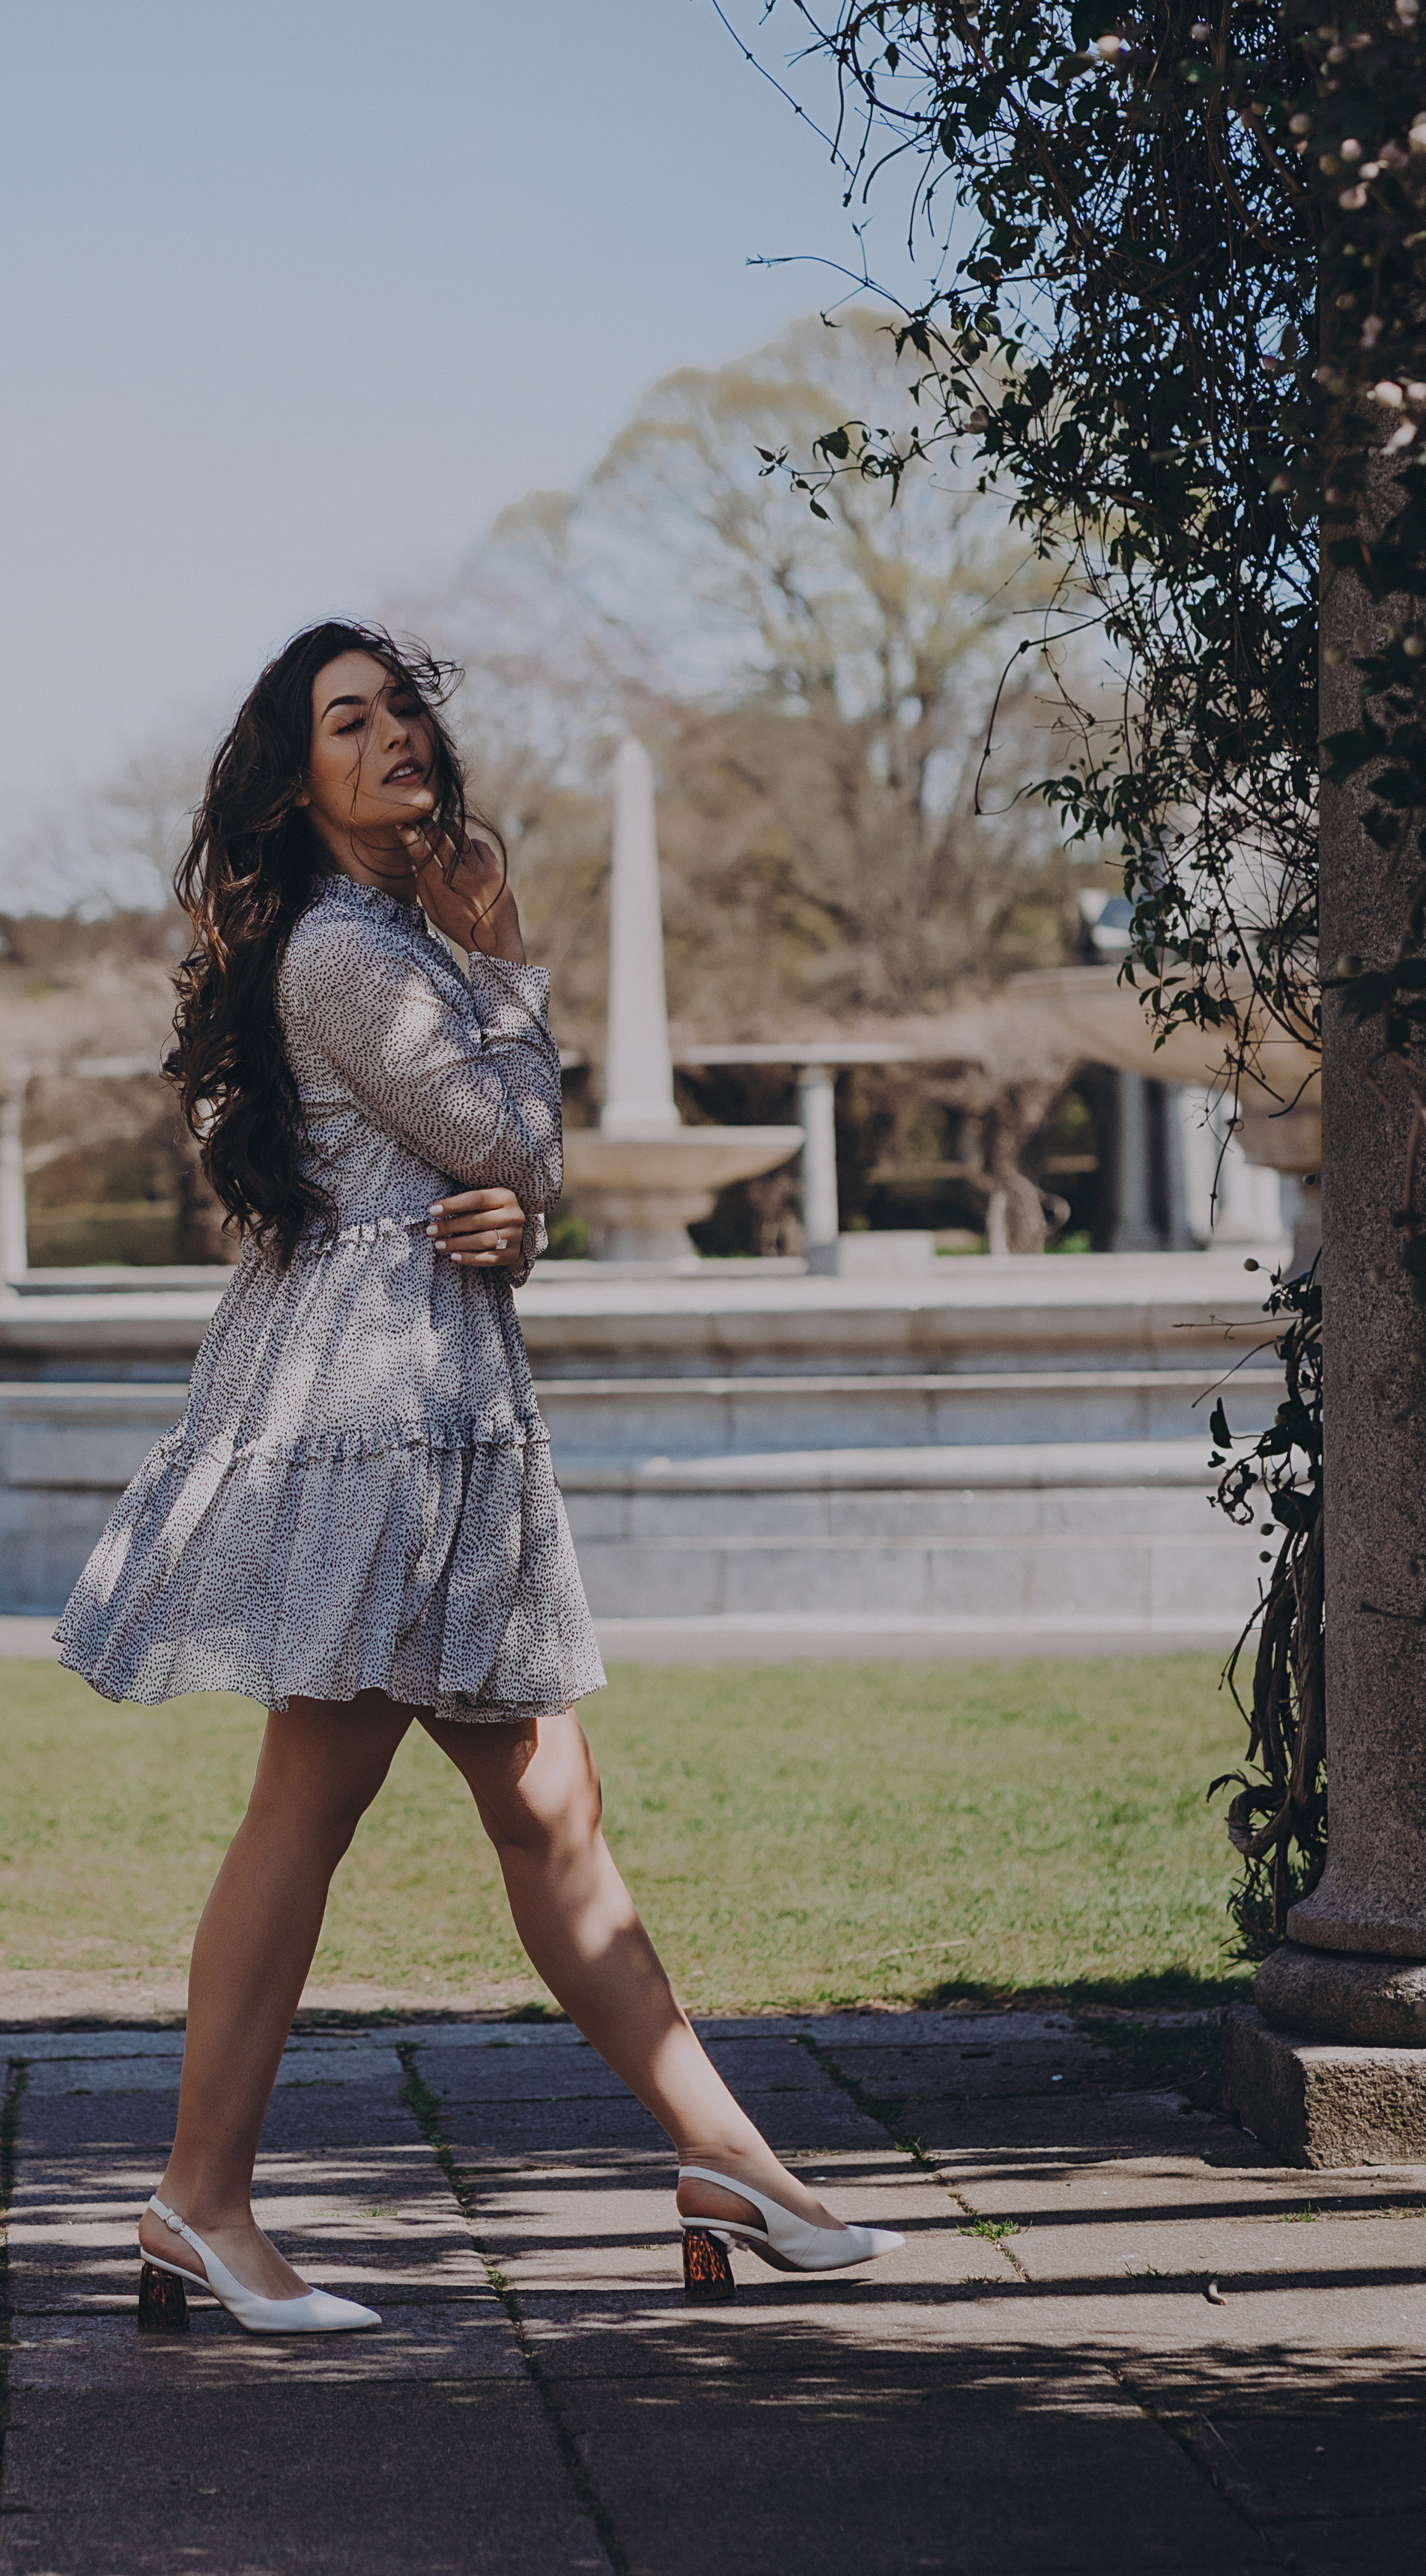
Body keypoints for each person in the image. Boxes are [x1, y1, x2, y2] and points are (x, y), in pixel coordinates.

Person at [56, 621, 902, 2333]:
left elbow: (491, 1177)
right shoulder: (347, 952)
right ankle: (198, 2200)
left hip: (436, 1400)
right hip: (378, 1414)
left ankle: (719, 2154)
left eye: (401, 710)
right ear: (297, 779)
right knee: (317, 1792)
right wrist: (508, 960)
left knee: (546, 1808)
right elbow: (507, 1134)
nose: (388, 739)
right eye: (344, 722)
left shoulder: (386, 938)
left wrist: (513, 1222)